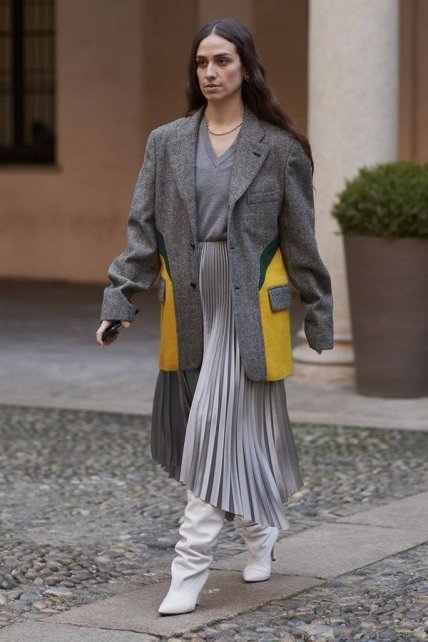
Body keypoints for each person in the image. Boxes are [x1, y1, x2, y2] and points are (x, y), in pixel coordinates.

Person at [96, 18, 333, 616]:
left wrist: (318, 310)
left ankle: (189, 568)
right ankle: (261, 530)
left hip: (249, 303)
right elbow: (143, 231)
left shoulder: (279, 148)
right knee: (230, 430)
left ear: (245, 67)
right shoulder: (167, 142)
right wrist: (121, 299)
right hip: (192, 299)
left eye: (222, 60)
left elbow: (300, 239)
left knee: (212, 425)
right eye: (202, 62)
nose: (210, 71)